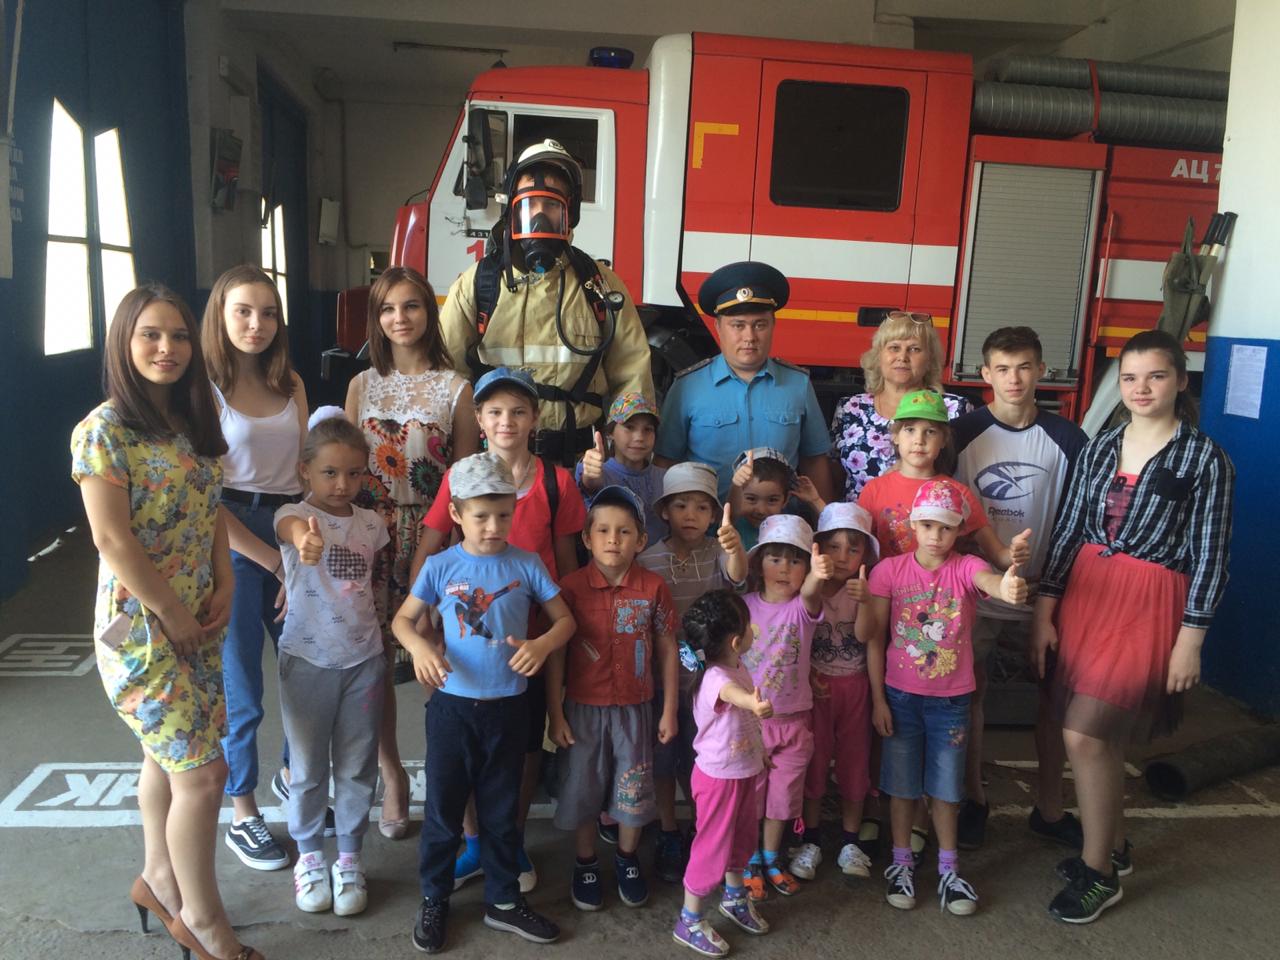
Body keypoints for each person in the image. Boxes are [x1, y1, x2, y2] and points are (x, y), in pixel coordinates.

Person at [72, 284, 264, 960]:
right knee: (205, 776)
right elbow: (112, 540)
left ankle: (158, 879)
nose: (167, 348)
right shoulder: (104, 431)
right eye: (150, 334)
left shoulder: (190, 423)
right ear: (124, 343)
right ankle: (204, 922)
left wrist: (227, 580)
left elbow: (211, 510)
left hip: (199, 620)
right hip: (140, 631)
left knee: (168, 755)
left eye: (179, 335)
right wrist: (174, 612)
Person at [1033, 330, 1234, 924]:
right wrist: (1045, 609)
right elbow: (1070, 527)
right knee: (1101, 736)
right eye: (1130, 378)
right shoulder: (1101, 446)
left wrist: (1190, 639)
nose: (1141, 388)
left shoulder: (1205, 459)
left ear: (1181, 381)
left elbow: (1211, 557)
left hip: (1149, 602)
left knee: (1085, 735)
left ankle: (1099, 875)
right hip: (1087, 592)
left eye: (1156, 376)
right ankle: (1114, 848)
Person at [412, 365, 585, 891]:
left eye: (517, 410)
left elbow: (566, 566)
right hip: (465, 641)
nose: (506, 420)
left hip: (530, 642)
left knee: (522, 746)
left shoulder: (556, 482)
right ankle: (473, 842)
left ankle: (507, 841)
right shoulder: (460, 478)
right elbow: (431, 546)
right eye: (494, 411)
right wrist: (424, 627)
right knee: (460, 748)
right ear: (480, 419)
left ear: (535, 418)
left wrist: (557, 639)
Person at [393, 452, 576, 952]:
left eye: (503, 514)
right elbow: (402, 620)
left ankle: (503, 901)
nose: (494, 527)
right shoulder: (440, 566)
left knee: (501, 813)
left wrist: (541, 644)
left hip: (508, 709)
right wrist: (420, 648)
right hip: (452, 710)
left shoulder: (527, 563)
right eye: (481, 516)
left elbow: (565, 621)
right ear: (456, 513)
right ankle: (435, 897)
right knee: (442, 814)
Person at [345, 265, 480, 839]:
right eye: (387, 309)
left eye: (411, 306)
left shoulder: (457, 388)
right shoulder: (361, 386)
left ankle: (457, 794)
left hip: (435, 540)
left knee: (439, 664)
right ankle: (393, 776)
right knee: (373, 665)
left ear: (429, 311)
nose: (399, 318)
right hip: (367, 538)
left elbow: (466, 483)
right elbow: (344, 472)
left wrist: (448, 548)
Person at [860, 479, 1028, 917]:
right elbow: (872, 638)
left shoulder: (966, 566)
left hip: (951, 702)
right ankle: (901, 863)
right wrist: (878, 700)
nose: (936, 535)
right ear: (913, 525)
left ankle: (949, 870)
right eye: (928, 525)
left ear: (959, 532)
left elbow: (990, 581)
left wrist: (1008, 586)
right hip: (899, 698)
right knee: (901, 788)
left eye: (947, 528)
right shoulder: (888, 572)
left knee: (947, 791)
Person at [951, 326, 1087, 851]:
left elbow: (1078, 523)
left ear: (1042, 371)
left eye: (1025, 367)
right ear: (985, 373)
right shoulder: (960, 434)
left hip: (1044, 593)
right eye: (1003, 369)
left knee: (1054, 700)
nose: (1014, 379)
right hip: (976, 591)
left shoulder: (1069, 439)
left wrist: (1051, 596)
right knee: (969, 696)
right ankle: (973, 800)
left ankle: (1050, 809)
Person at [439, 138, 654, 466]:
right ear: (513, 211)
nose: (540, 216)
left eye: (552, 206)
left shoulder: (599, 284)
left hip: (576, 466)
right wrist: (460, 462)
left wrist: (625, 463)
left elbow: (632, 373)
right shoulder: (479, 283)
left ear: (570, 213)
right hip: (496, 468)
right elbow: (446, 377)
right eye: (530, 204)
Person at [200, 264, 304, 873]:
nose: (256, 324)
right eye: (243, 311)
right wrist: (269, 559)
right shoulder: (204, 391)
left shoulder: (289, 382)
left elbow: (303, 470)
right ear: (221, 315)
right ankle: (243, 812)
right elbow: (206, 496)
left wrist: (298, 549)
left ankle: (294, 774)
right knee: (243, 688)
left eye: (268, 313)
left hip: (290, 526)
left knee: (304, 670)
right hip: (231, 540)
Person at [274, 410, 388, 916]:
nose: (343, 484)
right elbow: (291, 529)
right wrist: (305, 540)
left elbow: (369, 584)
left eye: (354, 473)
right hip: (306, 663)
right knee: (306, 769)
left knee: (358, 766)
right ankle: (309, 858)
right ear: (305, 471)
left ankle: (349, 858)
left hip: (364, 661)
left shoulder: (374, 524)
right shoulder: (292, 515)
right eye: (329, 472)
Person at [547, 485, 679, 910]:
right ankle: (585, 861)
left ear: (641, 540)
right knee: (583, 786)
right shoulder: (569, 589)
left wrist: (669, 709)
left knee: (633, 787)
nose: (613, 540)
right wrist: (555, 713)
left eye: (624, 531)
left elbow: (667, 647)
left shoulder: (653, 588)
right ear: (586, 538)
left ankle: (627, 857)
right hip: (582, 711)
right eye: (602, 530)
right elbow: (556, 653)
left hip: (636, 710)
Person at [638, 462, 748, 881]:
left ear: (714, 514)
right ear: (664, 511)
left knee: (703, 763)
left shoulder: (719, 552)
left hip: (710, 688)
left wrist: (735, 549)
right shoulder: (647, 559)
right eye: (681, 505)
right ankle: (668, 829)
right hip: (663, 683)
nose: (691, 515)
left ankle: (705, 830)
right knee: (664, 761)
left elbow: (738, 578)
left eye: (702, 507)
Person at [655, 261, 833, 502]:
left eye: (760, 325)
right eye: (738, 325)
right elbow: (666, 462)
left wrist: (824, 518)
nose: (749, 337)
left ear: (773, 326)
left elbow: (814, 461)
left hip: (780, 522)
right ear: (718, 327)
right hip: (710, 522)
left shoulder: (797, 385)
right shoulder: (688, 387)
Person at [673, 590, 773, 958]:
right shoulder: (716, 676)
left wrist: (760, 753)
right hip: (718, 780)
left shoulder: (736, 664)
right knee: (711, 847)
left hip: (743, 771)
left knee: (742, 839)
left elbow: (741, 723)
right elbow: (733, 696)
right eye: (749, 626)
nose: (753, 631)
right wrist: (754, 703)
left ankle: (734, 897)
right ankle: (689, 919)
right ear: (735, 640)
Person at [740, 515, 834, 901]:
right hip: (750, 724)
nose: (784, 568)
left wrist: (818, 574)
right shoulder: (743, 607)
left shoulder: (802, 608)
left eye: (796, 561)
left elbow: (811, 592)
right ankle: (748, 859)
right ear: (758, 564)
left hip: (795, 723)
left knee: (781, 799)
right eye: (775, 558)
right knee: (751, 796)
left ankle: (771, 856)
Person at [790, 502, 877, 882]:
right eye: (833, 547)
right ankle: (810, 839)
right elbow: (808, 601)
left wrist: (866, 601)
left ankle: (850, 841)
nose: (842, 557)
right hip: (815, 690)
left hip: (855, 688)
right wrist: (815, 574)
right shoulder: (810, 586)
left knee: (855, 764)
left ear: (865, 554)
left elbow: (865, 635)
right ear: (818, 549)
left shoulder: (864, 589)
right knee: (814, 762)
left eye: (853, 548)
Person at [857, 389, 1030, 567]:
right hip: (887, 584)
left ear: (944, 440)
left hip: (942, 585)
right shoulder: (874, 490)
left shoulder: (958, 494)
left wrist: (1013, 555)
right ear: (895, 436)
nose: (919, 440)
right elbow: (857, 552)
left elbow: (998, 556)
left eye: (930, 432)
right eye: (910, 430)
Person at [830, 311, 974, 500]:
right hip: (856, 517)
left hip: (926, 517)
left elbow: (965, 477)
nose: (903, 357)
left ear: (930, 359)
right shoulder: (850, 408)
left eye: (914, 349)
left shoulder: (954, 409)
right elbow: (834, 477)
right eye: (894, 347)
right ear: (878, 356)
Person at [577, 392, 667, 546]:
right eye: (629, 427)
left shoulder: (665, 478)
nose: (639, 437)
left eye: (648, 429)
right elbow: (590, 483)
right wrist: (590, 474)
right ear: (610, 433)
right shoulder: (599, 471)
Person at [727, 447, 794, 551]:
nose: (761, 510)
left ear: (785, 500)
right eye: (751, 499)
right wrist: (736, 486)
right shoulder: (734, 525)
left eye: (772, 500)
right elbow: (730, 514)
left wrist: (814, 501)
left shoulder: (791, 528)